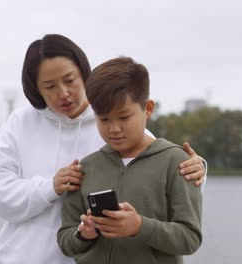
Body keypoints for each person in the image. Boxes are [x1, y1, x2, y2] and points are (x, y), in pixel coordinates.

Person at [0, 34, 205, 264]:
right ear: (36, 89)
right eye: (49, 86)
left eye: (70, 80)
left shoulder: (115, 124)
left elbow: (160, 166)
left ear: (83, 73)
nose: (63, 93)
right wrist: (50, 187)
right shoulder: (20, 124)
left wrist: (198, 169)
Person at [57, 57, 202, 264]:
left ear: (148, 109)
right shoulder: (85, 168)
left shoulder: (177, 162)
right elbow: (65, 241)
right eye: (104, 119)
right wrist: (83, 234)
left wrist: (139, 226)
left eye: (124, 117)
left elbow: (190, 238)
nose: (114, 128)